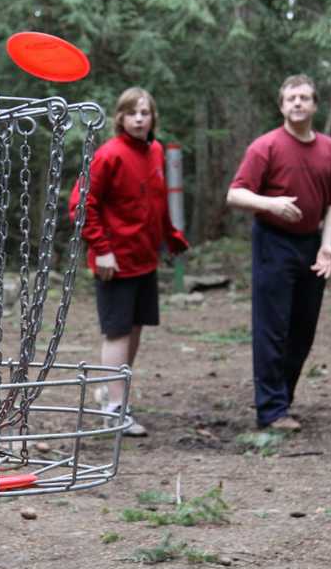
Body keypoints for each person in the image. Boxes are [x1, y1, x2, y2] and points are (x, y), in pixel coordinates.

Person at [226, 74, 331, 432]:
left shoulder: (329, 149)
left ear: (314, 105)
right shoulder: (265, 146)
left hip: (312, 245)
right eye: (291, 98)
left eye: (304, 97)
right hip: (273, 241)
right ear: (281, 106)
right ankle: (271, 410)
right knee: (272, 327)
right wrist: (271, 204)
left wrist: (327, 243)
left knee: (303, 328)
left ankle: (284, 399)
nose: (297, 103)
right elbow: (235, 194)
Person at [69, 86, 188, 437]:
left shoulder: (155, 150)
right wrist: (102, 248)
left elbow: (156, 201)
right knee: (117, 331)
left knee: (134, 329)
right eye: (131, 113)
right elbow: (81, 204)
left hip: (144, 258)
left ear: (153, 118)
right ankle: (114, 410)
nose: (138, 119)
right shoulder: (109, 155)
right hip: (114, 261)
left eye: (144, 113)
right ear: (120, 118)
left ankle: (112, 392)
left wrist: (170, 236)